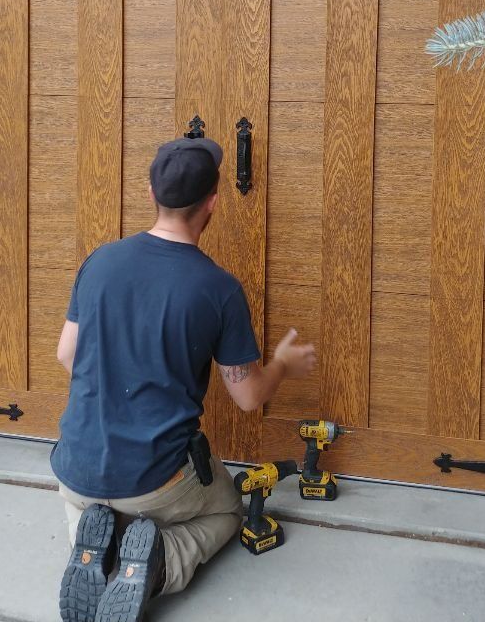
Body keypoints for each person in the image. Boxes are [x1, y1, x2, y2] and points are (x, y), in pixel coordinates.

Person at [52, 136, 317, 622]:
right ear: (212, 203)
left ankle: (94, 550)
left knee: (91, 510)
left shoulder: (99, 262)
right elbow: (248, 396)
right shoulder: (217, 289)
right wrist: (282, 362)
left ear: (151, 194)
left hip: (76, 467)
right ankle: (156, 567)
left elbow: (66, 354)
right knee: (226, 511)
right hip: (156, 480)